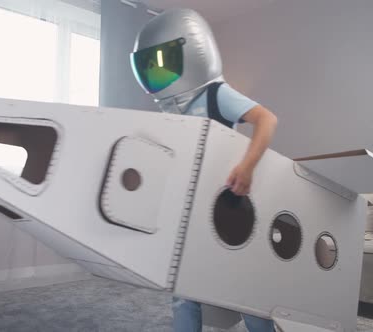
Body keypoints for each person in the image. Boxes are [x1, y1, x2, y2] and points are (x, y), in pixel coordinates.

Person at [130, 8, 278, 332]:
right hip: (188, 211)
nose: (158, 71)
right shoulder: (170, 110)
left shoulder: (215, 94)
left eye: (163, 61)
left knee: (244, 292)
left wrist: (246, 167)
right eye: (150, 65)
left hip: (225, 209)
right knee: (184, 293)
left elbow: (266, 120)